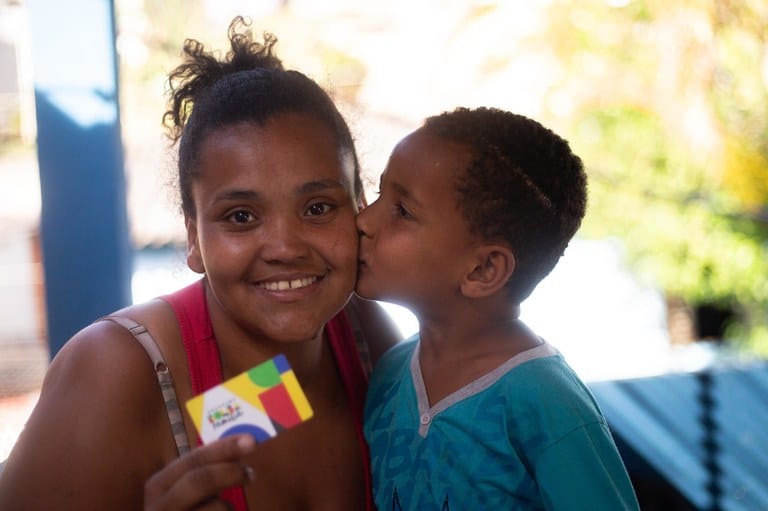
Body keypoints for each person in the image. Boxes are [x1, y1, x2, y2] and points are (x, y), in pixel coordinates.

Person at [0, 16, 400, 511]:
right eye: (241, 216)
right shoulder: (116, 371)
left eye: (318, 208)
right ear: (192, 237)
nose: (284, 247)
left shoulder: (355, 339)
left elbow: (260, 406)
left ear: (360, 206)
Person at [357, 107, 641, 510]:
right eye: (378, 194)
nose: (363, 220)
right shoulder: (389, 371)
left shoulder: (546, 400)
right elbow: (281, 411)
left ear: (484, 269)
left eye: (402, 210)